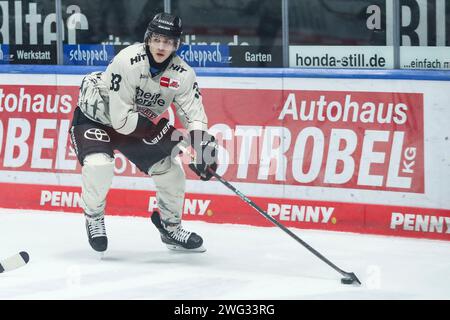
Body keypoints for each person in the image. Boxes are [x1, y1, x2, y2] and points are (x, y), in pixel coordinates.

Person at [69, 12, 218, 254]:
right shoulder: (127, 60)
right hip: (96, 118)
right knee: (99, 166)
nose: (161, 46)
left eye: (168, 42)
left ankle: (171, 228)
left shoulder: (182, 74)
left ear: (176, 45)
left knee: (171, 170)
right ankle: (94, 216)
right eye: (157, 39)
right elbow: (121, 120)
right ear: (148, 38)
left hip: (134, 121)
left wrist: (202, 145)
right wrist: (170, 137)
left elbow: (194, 114)